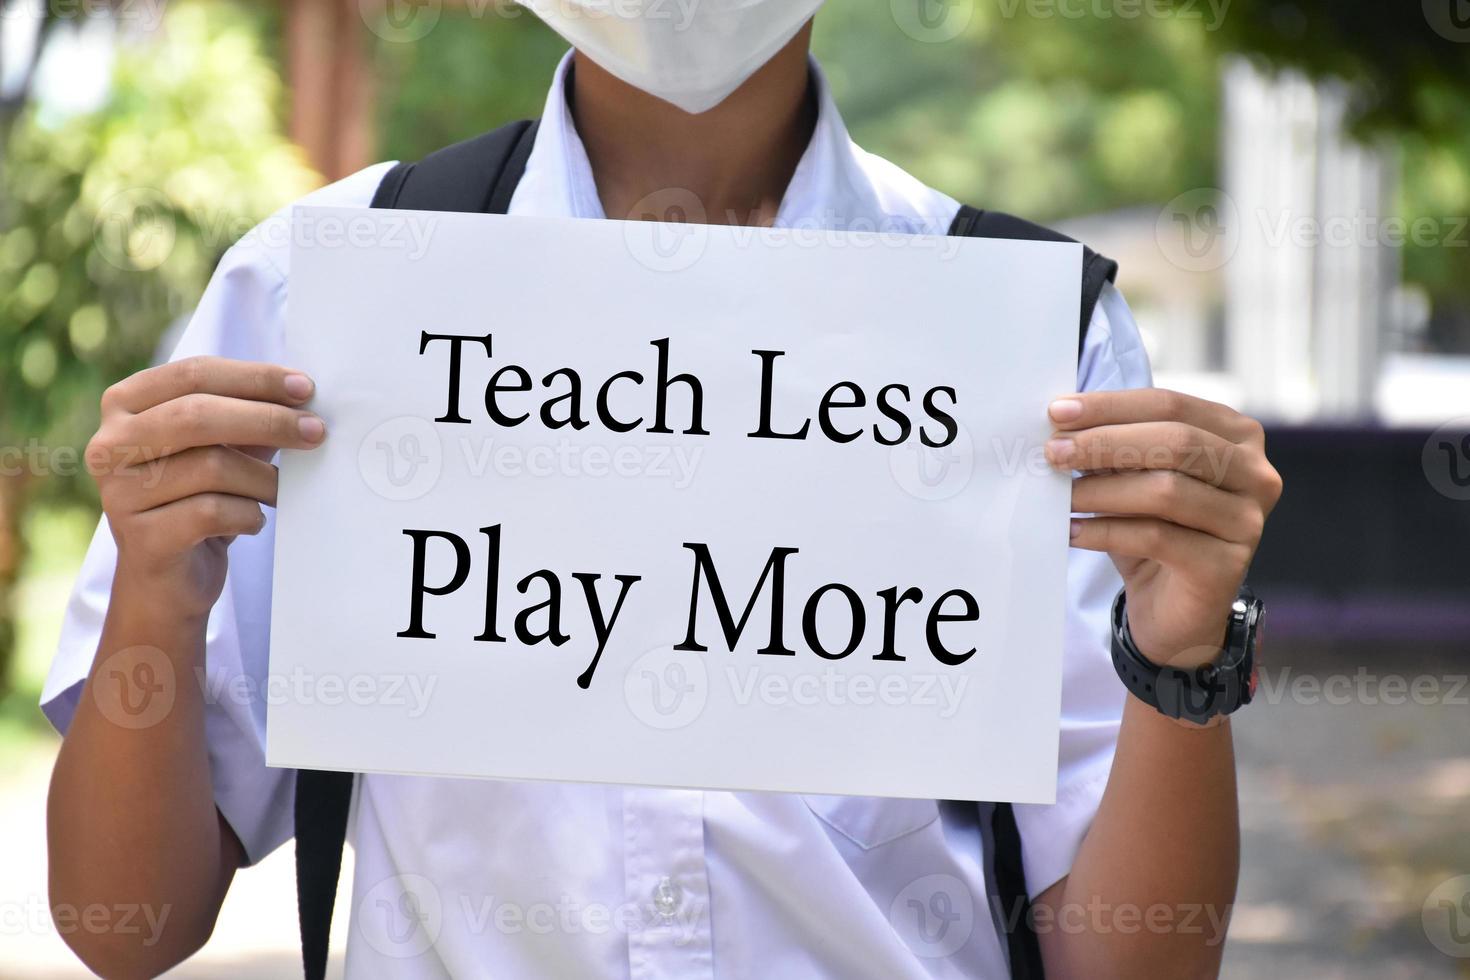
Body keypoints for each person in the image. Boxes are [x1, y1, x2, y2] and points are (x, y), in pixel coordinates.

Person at [43, 2, 1282, 977]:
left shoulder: (1031, 340)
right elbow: (126, 924)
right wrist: (157, 588)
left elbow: (1133, 959)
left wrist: (1181, 660)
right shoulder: (318, 293)